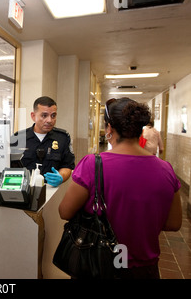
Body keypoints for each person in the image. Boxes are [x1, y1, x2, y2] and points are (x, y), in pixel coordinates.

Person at [58, 97, 182, 279]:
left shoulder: (92, 164)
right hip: (144, 269)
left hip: (98, 263)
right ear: (139, 129)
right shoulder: (166, 170)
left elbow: (65, 211)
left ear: (109, 129)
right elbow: (173, 223)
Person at [11, 96, 75, 187]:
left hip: (51, 192)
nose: (49, 120)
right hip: (24, 191)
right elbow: (10, 167)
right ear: (33, 116)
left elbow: (67, 166)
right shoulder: (18, 138)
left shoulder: (63, 138)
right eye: (44, 115)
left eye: (53, 116)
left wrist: (61, 176)